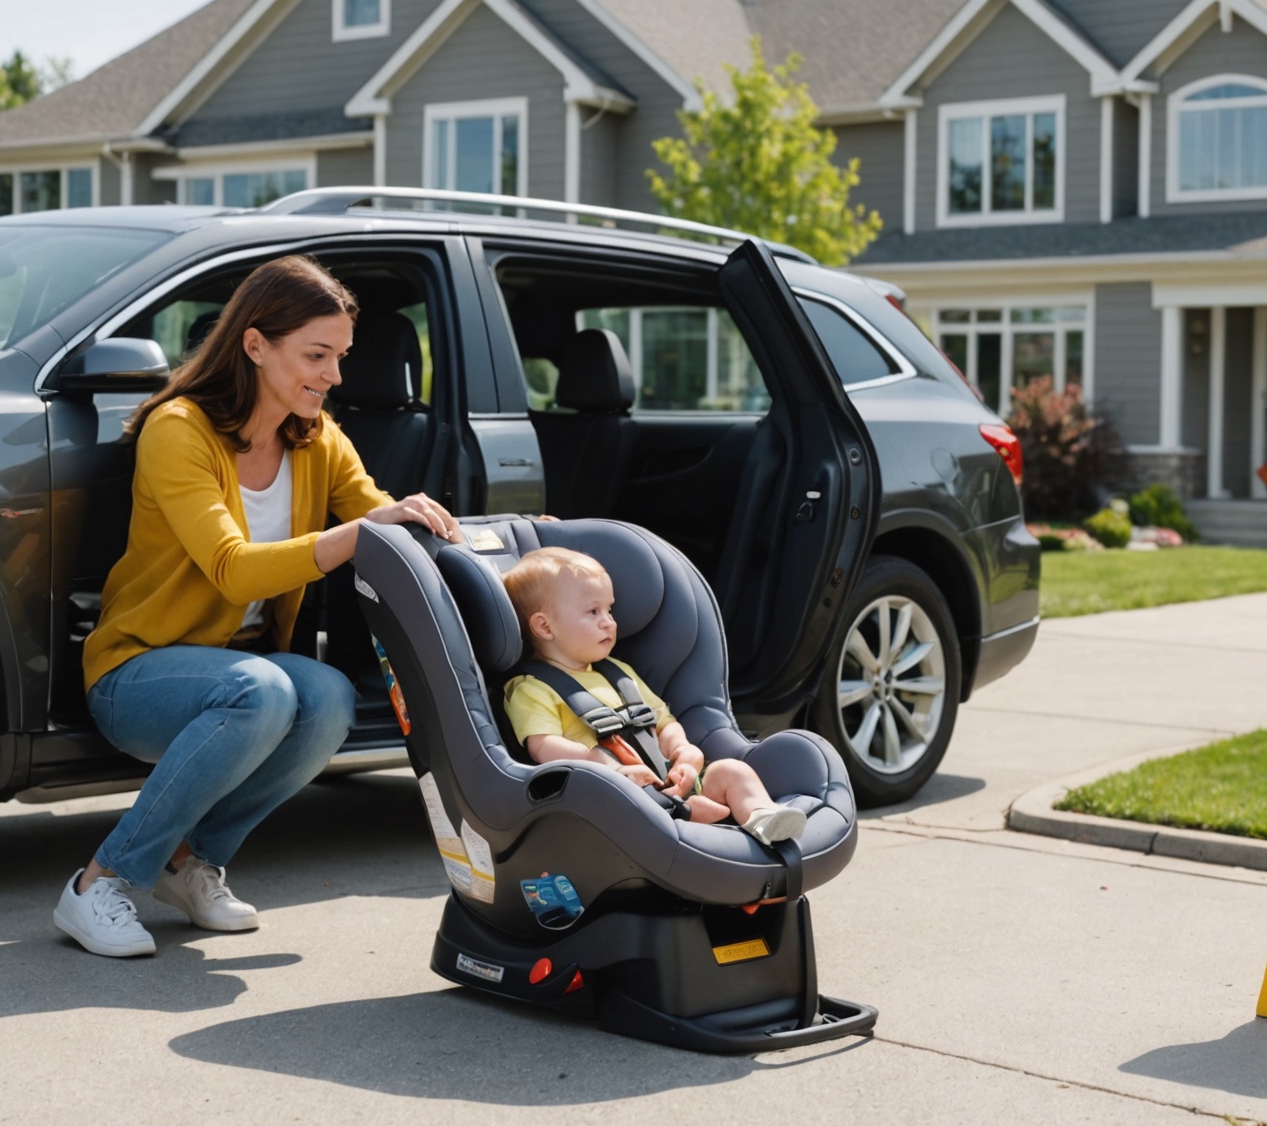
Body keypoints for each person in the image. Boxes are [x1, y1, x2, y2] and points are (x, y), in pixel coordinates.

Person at [55, 255, 462, 958]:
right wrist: (356, 534)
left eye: (339, 356)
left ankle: (189, 864)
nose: (335, 375)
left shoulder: (318, 436)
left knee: (329, 697)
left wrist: (450, 535)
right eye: (316, 355)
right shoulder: (178, 429)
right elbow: (232, 571)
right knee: (267, 688)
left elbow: (378, 518)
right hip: (138, 672)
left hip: (242, 678)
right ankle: (98, 883)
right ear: (254, 344)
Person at [499, 547, 806, 846]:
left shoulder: (619, 672)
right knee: (636, 800)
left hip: (667, 778)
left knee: (731, 770)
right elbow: (543, 746)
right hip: (613, 798)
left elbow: (662, 720)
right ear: (544, 626)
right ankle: (694, 821)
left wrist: (682, 750)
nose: (609, 621)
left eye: (610, 609)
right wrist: (605, 767)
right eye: (593, 612)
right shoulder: (531, 688)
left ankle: (763, 817)